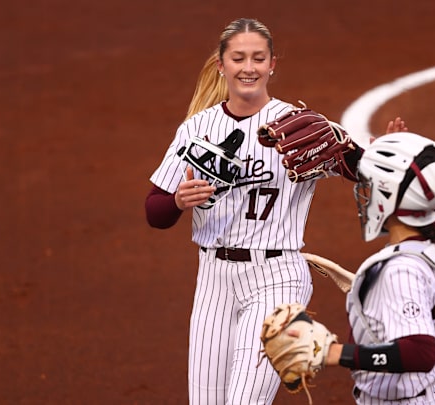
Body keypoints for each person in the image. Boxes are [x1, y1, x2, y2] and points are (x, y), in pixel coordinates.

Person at [145, 17, 406, 404]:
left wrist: (381, 154)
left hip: (276, 277)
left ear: (272, 64)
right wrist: (179, 201)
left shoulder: (301, 125)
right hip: (213, 280)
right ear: (221, 65)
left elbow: (359, 168)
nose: (248, 67)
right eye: (238, 58)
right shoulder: (196, 129)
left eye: (257, 58)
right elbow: (155, 211)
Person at [315, 132, 435, 404]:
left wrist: (337, 353)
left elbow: (419, 352)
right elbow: (420, 188)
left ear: (389, 195)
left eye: (371, 185)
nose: (365, 193)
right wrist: (394, 156)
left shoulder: (400, 271)